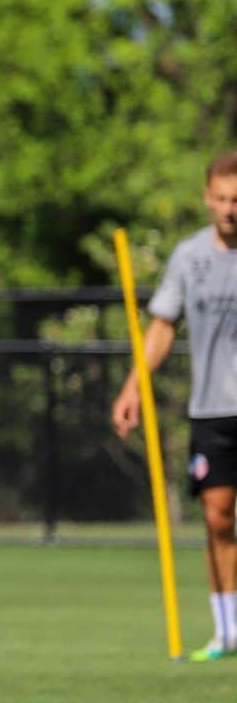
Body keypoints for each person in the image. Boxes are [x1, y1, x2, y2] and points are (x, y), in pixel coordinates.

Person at [112, 150, 237, 662]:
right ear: (207, 199)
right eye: (224, 198)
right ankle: (228, 629)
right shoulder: (189, 258)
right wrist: (132, 388)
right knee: (216, 518)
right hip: (211, 410)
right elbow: (162, 325)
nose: (232, 208)